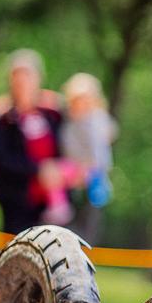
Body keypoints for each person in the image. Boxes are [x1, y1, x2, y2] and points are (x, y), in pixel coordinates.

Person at [0, 50, 71, 233]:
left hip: (54, 203)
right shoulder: (3, 118)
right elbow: (1, 159)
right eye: (17, 76)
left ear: (38, 78)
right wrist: (38, 169)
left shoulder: (53, 113)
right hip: (17, 203)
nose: (22, 82)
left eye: (27, 75)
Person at [61, 72, 117, 244]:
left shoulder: (98, 120)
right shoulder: (69, 124)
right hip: (73, 178)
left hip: (94, 179)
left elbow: (106, 140)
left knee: (89, 226)